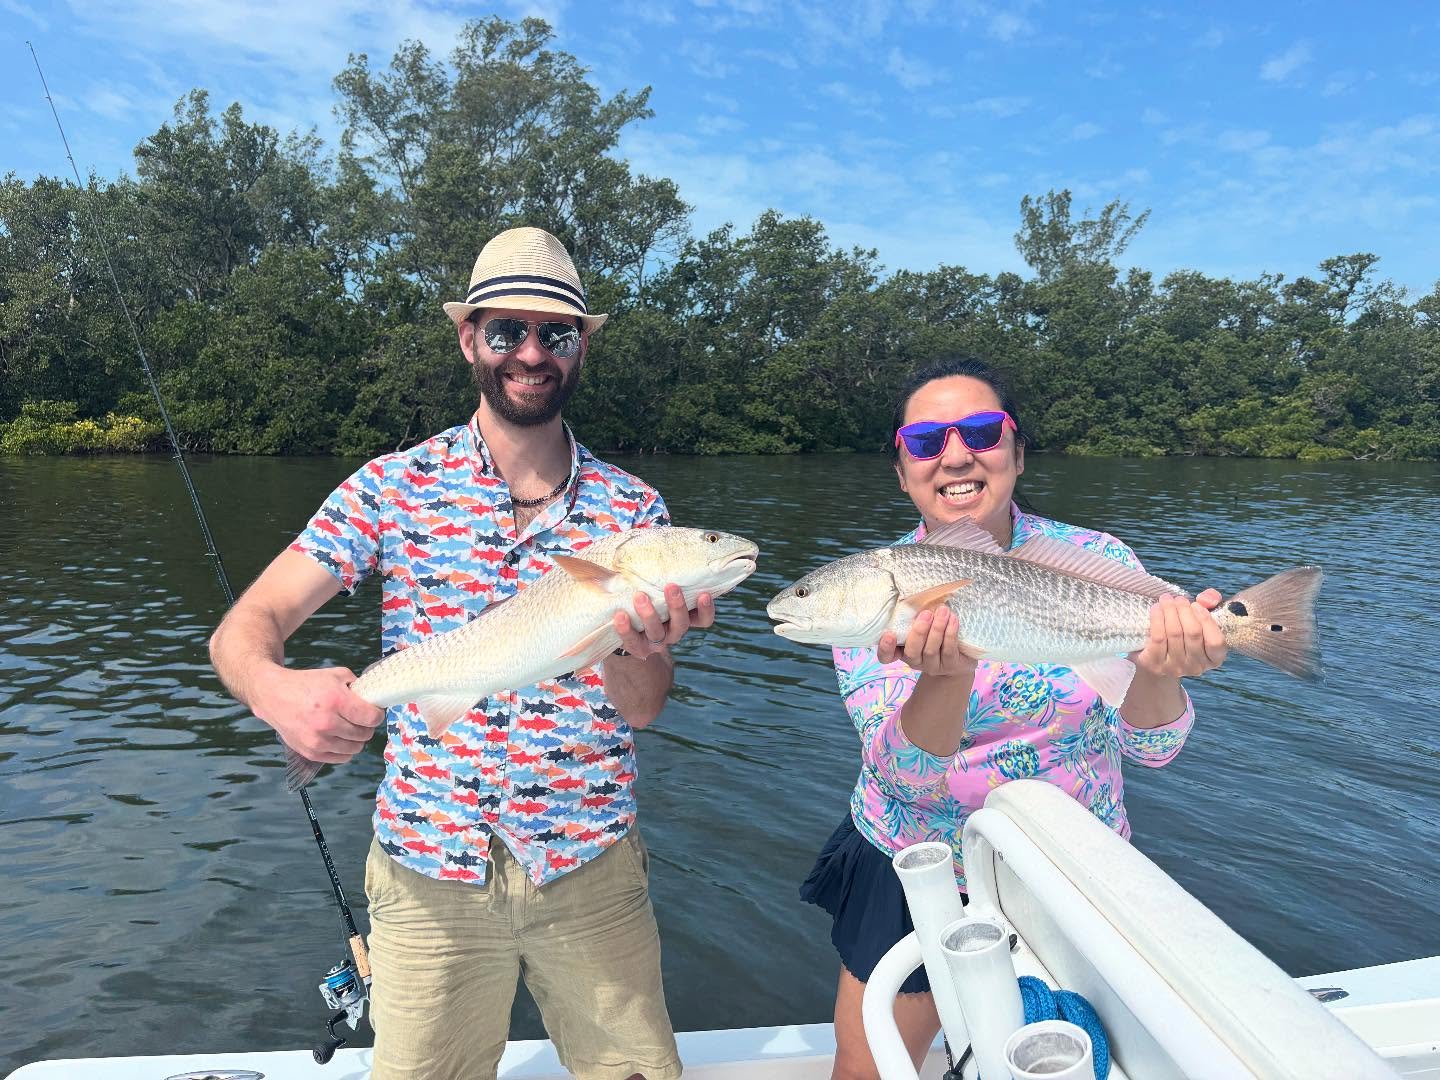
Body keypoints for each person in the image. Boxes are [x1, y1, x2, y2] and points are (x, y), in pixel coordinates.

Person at [209, 227, 702, 1080]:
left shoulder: (634, 511)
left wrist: (636, 643)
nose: (532, 353)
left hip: (589, 866)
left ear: (583, 347)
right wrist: (273, 690)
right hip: (427, 871)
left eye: (558, 333)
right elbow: (243, 629)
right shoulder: (390, 486)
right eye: (507, 330)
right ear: (470, 338)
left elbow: (644, 708)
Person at [798, 357, 1229, 1080]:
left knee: (1058, 1060)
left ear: (1018, 454)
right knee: (866, 1062)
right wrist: (947, 679)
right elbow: (904, 775)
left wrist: (1160, 667)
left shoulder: (1098, 561)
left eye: (980, 432)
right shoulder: (878, 583)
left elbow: (1151, 748)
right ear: (902, 471)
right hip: (913, 859)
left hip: (1068, 865)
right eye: (927, 441)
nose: (956, 455)